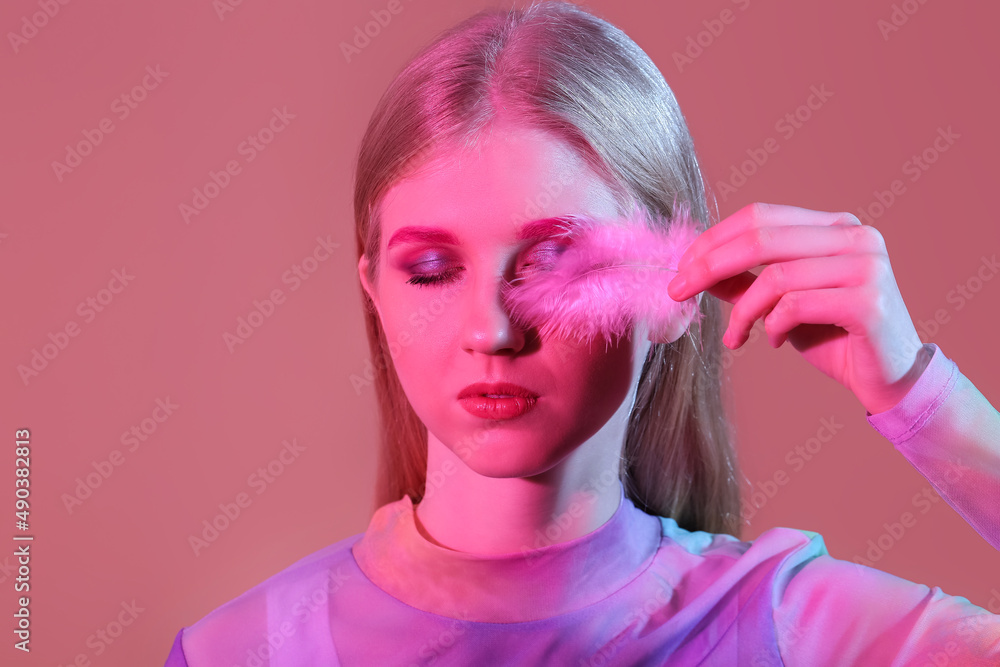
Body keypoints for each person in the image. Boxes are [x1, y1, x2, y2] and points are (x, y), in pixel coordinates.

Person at [164, 2, 1000, 664]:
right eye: (430, 271)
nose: (492, 330)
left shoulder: (791, 627)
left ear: (679, 291)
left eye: (554, 262)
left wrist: (916, 393)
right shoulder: (243, 650)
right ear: (375, 291)